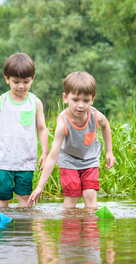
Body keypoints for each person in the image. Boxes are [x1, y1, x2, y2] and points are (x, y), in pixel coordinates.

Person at [28, 71, 115, 208]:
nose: (81, 105)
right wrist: (40, 186)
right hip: (68, 160)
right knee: (72, 195)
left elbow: (105, 126)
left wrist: (109, 151)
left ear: (92, 99)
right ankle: (70, 227)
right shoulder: (63, 124)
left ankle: (90, 227)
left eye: (86, 101)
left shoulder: (96, 116)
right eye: (75, 100)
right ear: (65, 98)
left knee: (89, 194)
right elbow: (52, 157)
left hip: (90, 159)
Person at [0, 53, 49, 207]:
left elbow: (42, 129)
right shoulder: (1, 101)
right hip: (3, 161)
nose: (21, 86)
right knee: (2, 198)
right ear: (7, 78)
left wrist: (45, 153)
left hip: (26, 162)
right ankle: (3, 229)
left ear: (32, 78)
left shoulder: (35, 102)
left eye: (26, 82)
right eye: (16, 81)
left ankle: (23, 230)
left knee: (24, 199)